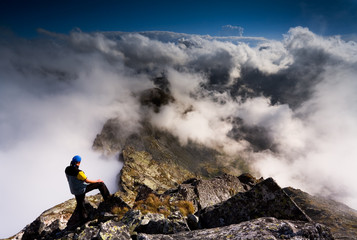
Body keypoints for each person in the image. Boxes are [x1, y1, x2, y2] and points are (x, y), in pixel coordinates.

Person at [65, 155, 111, 221]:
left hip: (74, 190)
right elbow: (87, 181)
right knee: (101, 184)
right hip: (81, 189)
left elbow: (68, 179)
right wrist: (97, 181)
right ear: (79, 162)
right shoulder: (79, 172)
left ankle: (83, 220)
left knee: (80, 205)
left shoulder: (67, 169)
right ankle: (108, 199)